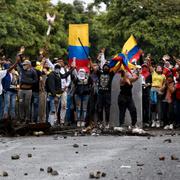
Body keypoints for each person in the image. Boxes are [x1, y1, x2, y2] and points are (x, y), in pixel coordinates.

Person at [17, 59, 38, 124]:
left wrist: (28, 82)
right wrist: (20, 56)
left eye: (25, 64)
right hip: (21, 90)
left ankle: (27, 118)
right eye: (23, 64)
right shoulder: (22, 69)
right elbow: (19, 63)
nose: (23, 65)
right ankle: (21, 118)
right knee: (20, 104)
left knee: (27, 105)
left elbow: (36, 80)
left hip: (28, 91)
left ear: (29, 65)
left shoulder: (33, 71)